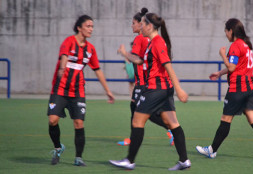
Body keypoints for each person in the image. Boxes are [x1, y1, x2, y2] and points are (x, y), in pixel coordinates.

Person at [110, 12, 191, 171]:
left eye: (142, 24)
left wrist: (180, 90)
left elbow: (168, 65)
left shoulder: (158, 42)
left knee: (137, 122)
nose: (140, 26)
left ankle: (129, 161)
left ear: (150, 26)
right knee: (172, 123)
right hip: (162, 89)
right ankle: (184, 161)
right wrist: (125, 53)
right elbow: (139, 60)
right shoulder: (151, 43)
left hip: (155, 89)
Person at [196, 18, 253, 160]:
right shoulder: (247, 45)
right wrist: (220, 73)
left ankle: (212, 150)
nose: (225, 34)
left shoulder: (236, 45)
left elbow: (232, 67)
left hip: (238, 89)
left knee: (226, 119)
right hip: (250, 87)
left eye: (226, 31)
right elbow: (238, 66)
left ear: (231, 31)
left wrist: (222, 55)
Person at [47, 15, 115, 166]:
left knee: (78, 123)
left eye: (92, 26)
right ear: (79, 27)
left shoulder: (90, 49)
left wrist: (107, 91)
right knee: (53, 120)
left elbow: (97, 70)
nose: (91, 29)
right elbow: (64, 55)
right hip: (60, 89)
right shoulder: (69, 41)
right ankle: (58, 147)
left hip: (77, 91)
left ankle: (78, 158)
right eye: (88, 26)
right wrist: (62, 68)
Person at [116, 8, 174, 146]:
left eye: (134, 23)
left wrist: (124, 53)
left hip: (144, 82)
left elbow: (137, 59)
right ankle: (170, 129)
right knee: (137, 108)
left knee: (143, 111)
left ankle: (169, 129)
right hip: (147, 82)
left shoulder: (139, 38)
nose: (133, 25)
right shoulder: (149, 39)